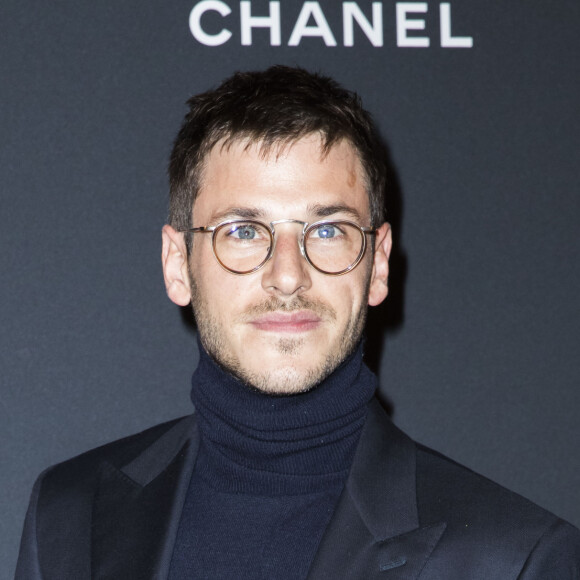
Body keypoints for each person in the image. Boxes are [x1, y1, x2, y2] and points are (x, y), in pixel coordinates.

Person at [16, 66, 580, 580]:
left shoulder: (518, 559)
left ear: (378, 265)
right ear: (176, 265)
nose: (288, 277)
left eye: (328, 231)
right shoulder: (70, 515)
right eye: (242, 231)